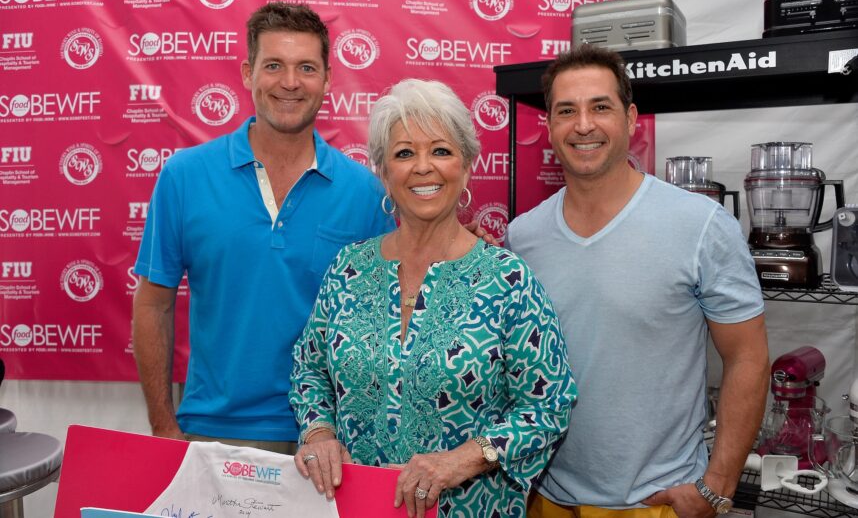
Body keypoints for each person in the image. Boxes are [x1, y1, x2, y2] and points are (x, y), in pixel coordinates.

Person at [288, 79, 577, 518]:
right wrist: (319, 433)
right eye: (404, 153)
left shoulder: (508, 280)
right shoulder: (348, 269)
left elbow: (549, 405)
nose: (423, 167)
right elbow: (309, 369)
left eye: (440, 151)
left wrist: (465, 459)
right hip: (355, 507)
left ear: (467, 166)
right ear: (384, 173)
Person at [508, 46, 769, 518]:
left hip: (655, 502)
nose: (583, 125)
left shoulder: (700, 224)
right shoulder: (523, 236)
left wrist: (718, 485)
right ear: (548, 126)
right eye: (566, 111)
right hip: (545, 497)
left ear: (630, 119)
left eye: (600, 107)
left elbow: (747, 357)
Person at [131, 2, 393, 453]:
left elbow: (390, 316)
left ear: (327, 79)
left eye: (306, 67)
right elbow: (153, 305)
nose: (290, 82)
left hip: (329, 439)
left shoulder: (365, 193)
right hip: (214, 430)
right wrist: (163, 428)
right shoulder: (185, 176)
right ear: (247, 73)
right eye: (274, 66)